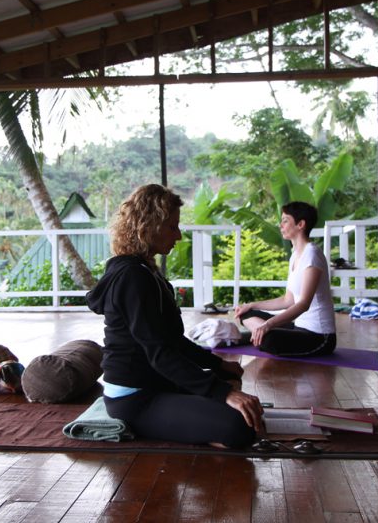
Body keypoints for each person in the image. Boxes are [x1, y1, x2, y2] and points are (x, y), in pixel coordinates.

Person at [86, 184, 263, 448]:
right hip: (134, 397)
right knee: (240, 426)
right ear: (149, 226)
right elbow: (159, 353)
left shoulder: (145, 271)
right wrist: (222, 394)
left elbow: (173, 340)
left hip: (155, 382)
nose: (178, 235)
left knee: (230, 385)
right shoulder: (132, 278)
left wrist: (217, 365)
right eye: (172, 227)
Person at [234, 201, 336, 357]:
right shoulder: (295, 255)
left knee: (270, 340)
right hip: (298, 327)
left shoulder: (312, 255)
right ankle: (258, 334)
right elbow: (287, 301)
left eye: (285, 220)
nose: (280, 225)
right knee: (246, 313)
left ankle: (257, 335)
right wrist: (251, 305)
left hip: (319, 337)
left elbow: (303, 304)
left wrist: (268, 325)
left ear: (300, 224)